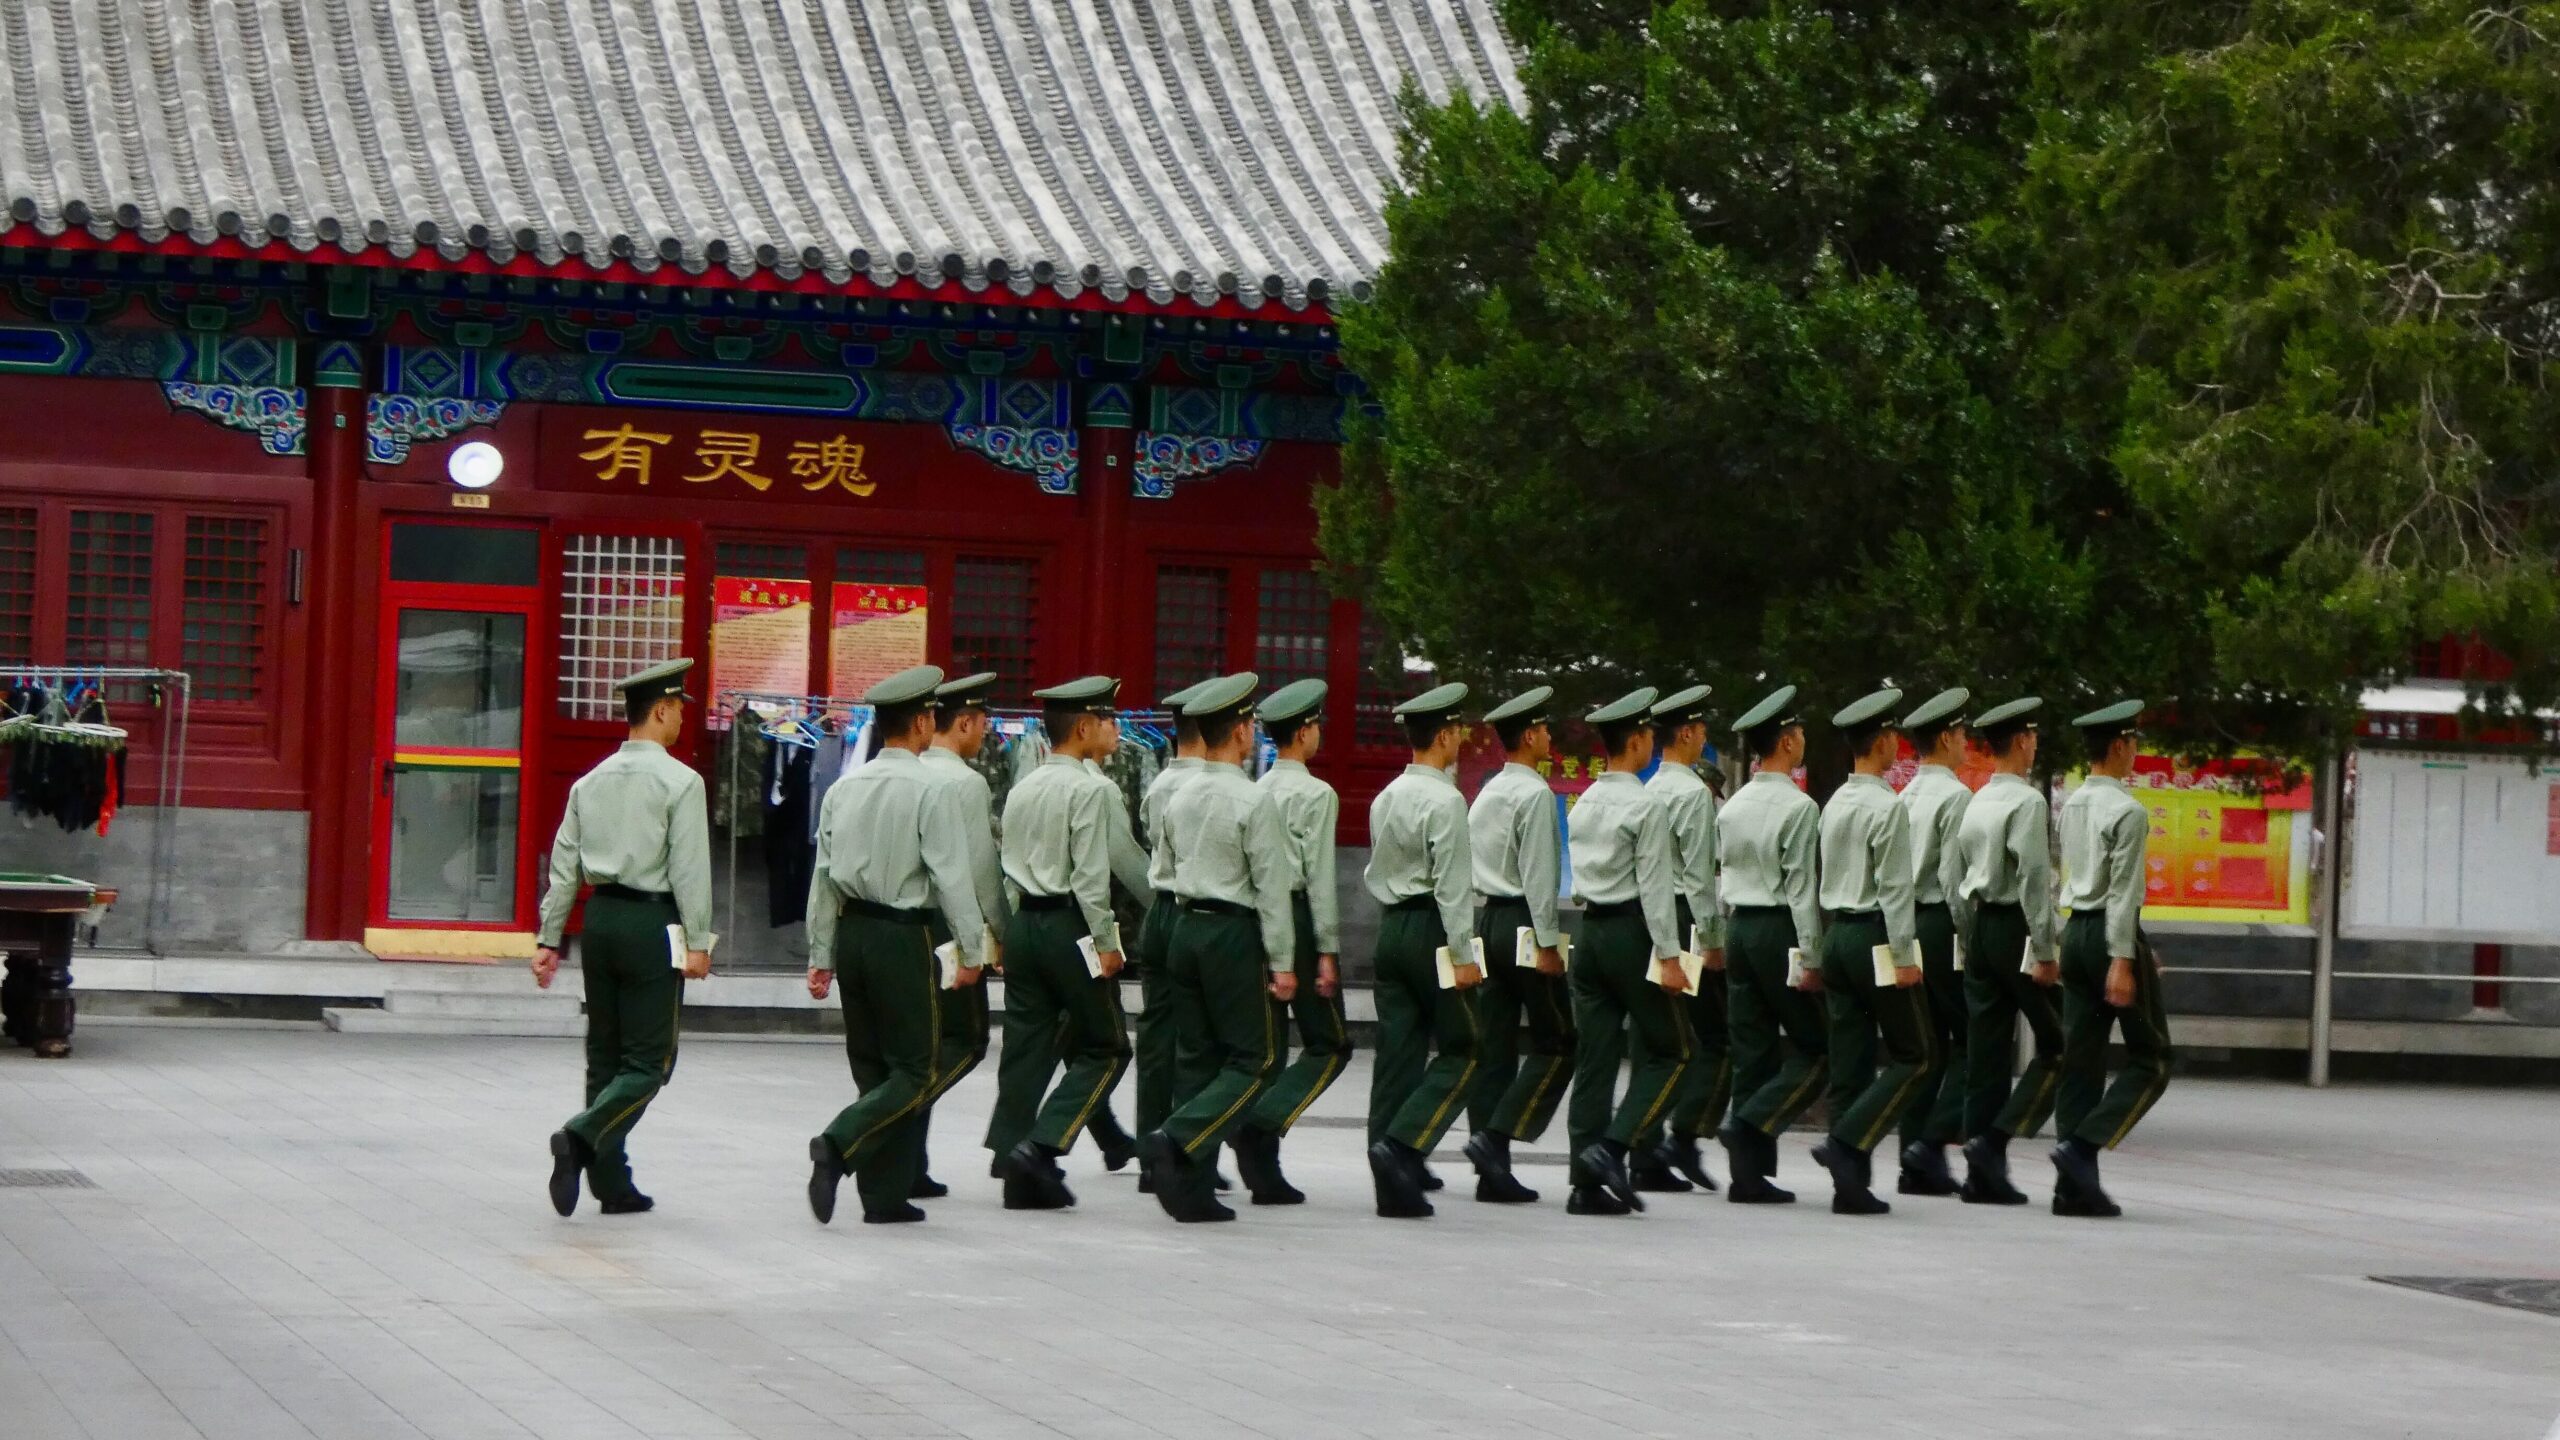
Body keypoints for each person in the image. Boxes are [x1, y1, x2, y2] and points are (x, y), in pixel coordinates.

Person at [801, 665, 991, 1226]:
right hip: (903, 936)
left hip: (854, 934)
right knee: (912, 1070)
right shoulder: (933, 791)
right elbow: (953, 877)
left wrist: (820, 954)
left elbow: (824, 878)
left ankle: (882, 1198)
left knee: (871, 1068)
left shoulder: (843, 788)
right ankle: (837, 1142)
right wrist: (973, 951)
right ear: (926, 720)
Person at [533, 658, 714, 1218]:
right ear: (660, 710)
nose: (682, 718)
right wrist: (700, 939)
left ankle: (613, 1185)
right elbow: (688, 869)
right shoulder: (682, 782)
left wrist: (549, 938)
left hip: (602, 920)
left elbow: (564, 867)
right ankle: (582, 1137)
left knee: (604, 1058)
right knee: (649, 1062)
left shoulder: (589, 782)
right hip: (651, 923)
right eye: (679, 708)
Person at [1138, 673, 1298, 1223]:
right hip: (1232, 931)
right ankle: (1178, 1136)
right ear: (1239, 732)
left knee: (1195, 1059)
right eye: (1250, 724)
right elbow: (1271, 888)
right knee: (1259, 1058)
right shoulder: (1253, 800)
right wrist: (1283, 961)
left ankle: (1192, 1189)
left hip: (1184, 926)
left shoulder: (1177, 794)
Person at [987, 676, 1137, 1210]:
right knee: (1108, 1047)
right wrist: (1106, 942)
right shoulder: (1093, 788)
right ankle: (1043, 1145)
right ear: (1083, 727)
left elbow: (1007, 867)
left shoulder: (1024, 785)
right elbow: (1092, 880)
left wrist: (1003, 934)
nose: (1116, 729)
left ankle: (1012, 1159)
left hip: (1025, 923)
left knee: (1026, 1045)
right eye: (1109, 720)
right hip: (1071, 927)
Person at [1560, 686, 1695, 1216]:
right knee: (1674, 1051)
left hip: (1589, 932)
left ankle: (1583, 1184)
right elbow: (1657, 887)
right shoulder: (1646, 804)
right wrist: (1668, 953)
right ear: (1638, 740)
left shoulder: (1585, 799)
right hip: (1632, 934)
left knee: (1593, 1060)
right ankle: (1612, 1147)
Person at [1361, 683, 1486, 1218]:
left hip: (1390, 929)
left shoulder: (1386, 795)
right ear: (1443, 736)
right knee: (1466, 1048)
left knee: (1397, 1057)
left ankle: (1390, 1182)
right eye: (1457, 729)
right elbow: (1453, 886)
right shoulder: (1447, 799)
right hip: (1434, 931)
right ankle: (1405, 1144)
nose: (1462, 737)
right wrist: (1463, 952)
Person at [1806, 688, 1931, 1216]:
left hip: (1837, 935)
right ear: (1881, 742)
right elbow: (1897, 887)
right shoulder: (1887, 806)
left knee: (1850, 1062)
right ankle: (1848, 1141)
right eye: (1892, 738)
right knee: (1916, 1054)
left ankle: (1849, 1187)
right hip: (1876, 936)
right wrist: (1905, 953)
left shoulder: (1835, 801)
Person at [2050, 699, 2174, 1217]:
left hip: (2074, 931)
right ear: (2120, 746)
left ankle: (2072, 1191)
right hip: (2108, 934)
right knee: (2154, 1060)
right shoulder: (2128, 810)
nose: (2136, 754)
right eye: (2134, 744)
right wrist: (2124, 959)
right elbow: (2124, 892)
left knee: (2081, 1061)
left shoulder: (2072, 803)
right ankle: (2081, 1150)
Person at [1231, 679, 1350, 1206]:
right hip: (1298, 919)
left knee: (1270, 1045)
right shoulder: (1317, 793)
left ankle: (1263, 1166)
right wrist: (1326, 949)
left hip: (1254, 919)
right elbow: (1320, 877)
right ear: (1304, 732)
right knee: (1330, 1044)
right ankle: (1263, 1124)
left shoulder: (1256, 790)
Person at [1715, 686, 1826, 1204]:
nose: (1803, 741)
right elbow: (1801, 888)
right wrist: (1811, 954)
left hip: (1739, 926)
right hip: (1780, 929)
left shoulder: (1733, 805)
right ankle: (1753, 1123)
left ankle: (1748, 1176)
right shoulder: (1799, 807)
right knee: (1816, 1048)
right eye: (1799, 734)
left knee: (1751, 1050)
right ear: (1786, 742)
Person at [1951, 697, 2064, 1206]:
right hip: (2018, 927)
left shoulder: (1977, 799)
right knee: (2062, 1042)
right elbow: (2034, 879)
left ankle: (1982, 1174)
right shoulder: (2028, 802)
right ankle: (1994, 1140)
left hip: (1981, 929)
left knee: (1987, 1053)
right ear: (2022, 741)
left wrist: (1969, 933)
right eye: (2033, 737)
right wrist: (2044, 947)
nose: (2035, 745)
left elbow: (1953, 879)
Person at [1460, 685, 1570, 1206]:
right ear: (1529, 736)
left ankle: (1491, 1171)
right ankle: (1496, 1136)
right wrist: (1549, 942)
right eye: (1545, 729)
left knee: (1494, 1048)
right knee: (1559, 1042)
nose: (1550, 736)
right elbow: (1540, 875)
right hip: (1525, 921)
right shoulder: (1536, 794)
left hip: (1488, 921)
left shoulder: (1488, 791)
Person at [1634, 683, 1727, 1194]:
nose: (1704, 738)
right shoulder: (1693, 794)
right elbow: (1698, 877)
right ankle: (1685, 1134)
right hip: (1684, 920)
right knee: (1713, 1038)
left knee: (1656, 1038)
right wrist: (1711, 939)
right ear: (1687, 733)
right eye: (1702, 730)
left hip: (1650, 917)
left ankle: (1646, 1150)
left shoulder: (1649, 789)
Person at [916, 671, 1003, 1202]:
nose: (987, 734)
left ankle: (910, 1158)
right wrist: (998, 933)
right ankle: (895, 1119)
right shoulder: (965, 783)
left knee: (919, 1046)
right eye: (984, 723)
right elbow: (979, 873)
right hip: (951, 929)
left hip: (908, 926)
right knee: (965, 1043)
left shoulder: (910, 771)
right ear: (964, 722)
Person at [1893, 687, 1974, 1198]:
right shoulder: (1956, 796)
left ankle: (1914, 1161)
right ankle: (1932, 1139)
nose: (1968, 743)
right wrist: (1970, 936)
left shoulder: (1904, 796)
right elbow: (1953, 878)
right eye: (1963, 734)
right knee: (1971, 1039)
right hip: (1942, 923)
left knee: (1925, 1046)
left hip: (1907, 923)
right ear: (1946, 738)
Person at [1132, 678, 1212, 1191]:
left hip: (1156, 911)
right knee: (1198, 1038)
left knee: (1157, 1036)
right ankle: (1184, 1149)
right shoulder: (1208, 786)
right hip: (1190, 911)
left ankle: (1147, 1151)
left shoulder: (1160, 784)